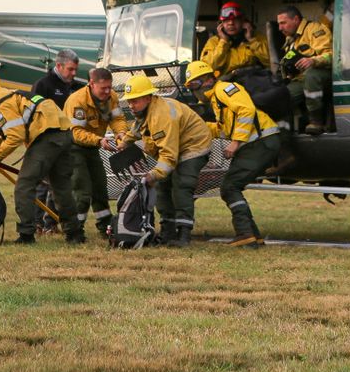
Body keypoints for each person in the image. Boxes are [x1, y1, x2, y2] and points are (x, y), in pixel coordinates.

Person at [0, 73, 85, 245]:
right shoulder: (10, 95)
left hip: (45, 136)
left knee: (24, 186)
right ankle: (75, 234)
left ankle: (26, 235)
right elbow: (14, 131)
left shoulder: (2, 104)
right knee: (61, 187)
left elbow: (15, 137)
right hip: (63, 133)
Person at [118, 73, 215, 248]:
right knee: (162, 187)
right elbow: (138, 128)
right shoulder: (146, 110)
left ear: (148, 97)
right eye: (129, 101)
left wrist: (152, 175)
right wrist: (125, 142)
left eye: (135, 101)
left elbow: (169, 157)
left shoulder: (162, 116)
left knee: (182, 184)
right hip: (177, 147)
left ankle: (184, 235)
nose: (131, 105)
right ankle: (167, 232)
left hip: (194, 147)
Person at [183, 60, 272, 248]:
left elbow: (246, 110)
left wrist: (236, 142)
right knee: (231, 186)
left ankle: (245, 234)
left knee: (230, 187)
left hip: (261, 142)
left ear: (207, 80)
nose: (193, 90)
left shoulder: (225, 88)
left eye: (194, 84)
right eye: (190, 86)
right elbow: (224, 129)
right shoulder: (216, 100)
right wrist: (198, 127)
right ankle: (252, 237)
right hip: (256, 143)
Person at [64, 66, 129, 240]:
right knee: (82, 191)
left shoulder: (112, 97)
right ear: (91, 84)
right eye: (103, 88)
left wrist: (121, 134)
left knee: (100, 187)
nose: (108, 91)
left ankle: (105, 227)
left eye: (110, 87)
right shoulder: (77, 101)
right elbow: (75, 132)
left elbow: (117, 119)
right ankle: (74, 231)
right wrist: (98, 140)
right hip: (73, 148)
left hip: (93, 147)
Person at [31, 49, 83, 230]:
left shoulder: (75, 88)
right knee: (42, 185)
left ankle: (51, 224)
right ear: (59, 66)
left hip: (67, 144)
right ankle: (37, 223)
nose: (74, 73)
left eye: (75, 69)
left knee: (60, 183)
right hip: (46, 144)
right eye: (70, 69)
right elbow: (34, 114)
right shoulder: (43, 85)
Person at [276, 5, 333, 135]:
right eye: (279, 24)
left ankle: (316, 122)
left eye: (283, 23)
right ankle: (285, 142)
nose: (280, 28)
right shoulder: (290, 38)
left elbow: (331, 55)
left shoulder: (315, 30)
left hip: (322, 75)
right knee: (279, 98)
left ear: (296, 19)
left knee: (311, 75)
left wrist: (313, 61)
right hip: (300, 79)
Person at [199, 1, 269, 79]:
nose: (231, 23)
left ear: (243, 21)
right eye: (226, 20)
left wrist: (251, 40)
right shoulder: (214, 42)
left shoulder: (257, 38)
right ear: (221, 24)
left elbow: (270, 62)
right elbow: (206, 68)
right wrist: (223, 42)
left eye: (235, 20)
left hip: (254, 80)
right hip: (225, 84)